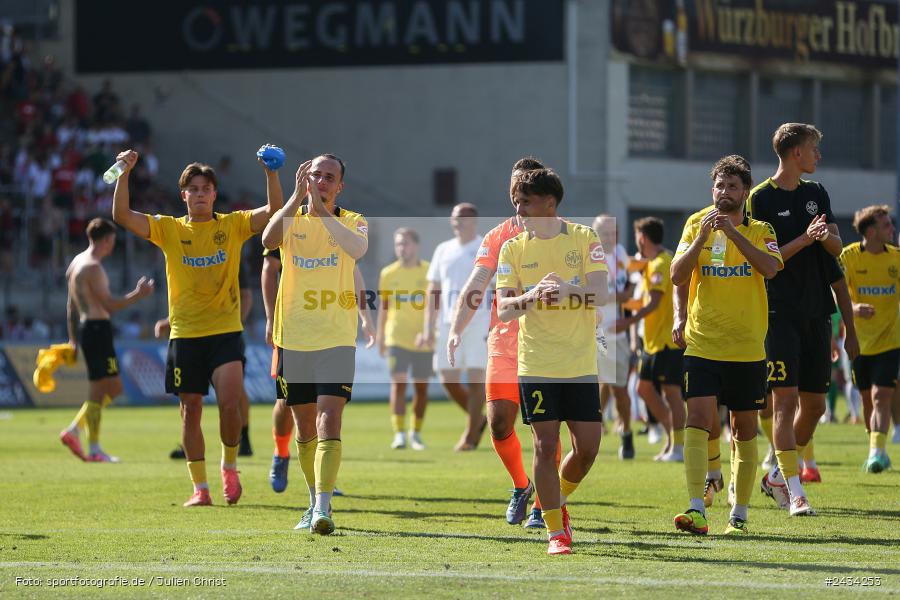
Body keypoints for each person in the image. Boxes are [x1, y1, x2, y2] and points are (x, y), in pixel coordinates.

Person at [111, 148, 283, 507]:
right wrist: (124, 172)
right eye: (194, 189)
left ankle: (229, 467)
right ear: (183, 195)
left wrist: (271, 174)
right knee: (190, 410)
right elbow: (122, 215)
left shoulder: (232, 225)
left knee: (230, 404)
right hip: (185, 334)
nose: (200, 193)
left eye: (206, 188)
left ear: (215, 194)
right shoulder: (169, 229)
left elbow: (274, 213)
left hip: (225, 332)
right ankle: (200, 488)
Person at [496, 166, 609, 555]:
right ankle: (555, 532)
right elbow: (504, 309)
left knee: (588, 448)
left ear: (549, 203)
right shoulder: (512, 248)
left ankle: (554, 500)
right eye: (516, 202)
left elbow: (601, 293)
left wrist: (566, 290)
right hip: (536, 363)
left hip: (579, 363)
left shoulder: (584, 237)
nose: (518, 210)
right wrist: (530, 297)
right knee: (545, 446)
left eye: (525, 202)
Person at [748, 124, 859, 516]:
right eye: (814, 149)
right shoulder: (760, 198)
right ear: (796, 152)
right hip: (778, 314)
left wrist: (823, 236)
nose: (818, 156)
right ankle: (796, 492)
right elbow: (766, 262)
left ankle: (777, 474)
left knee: (815, 406)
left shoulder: (817, 193)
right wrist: (806, 238)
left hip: (817, 314)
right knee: (784, 402)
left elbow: (835, 247)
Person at [670, 155, 783, 535]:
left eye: (732, 186)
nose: (724, 192)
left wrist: (733, 234)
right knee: (698, 420)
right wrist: (702, 238)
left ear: (745, 192)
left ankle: (740, 513)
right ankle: (696, 506)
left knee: (744, 429)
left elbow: (771, 268)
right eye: (719, 185)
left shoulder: (761, 228)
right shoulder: (695, 223)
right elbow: (677, 275)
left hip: (747, 347)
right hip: (703, 344)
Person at [262, 154, 368, 535]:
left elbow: (357, 250)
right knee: (304, 427)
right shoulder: (292, 219)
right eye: (315, 175)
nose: (321, 181)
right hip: (294, 337)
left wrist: (322, 213)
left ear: (340, 186)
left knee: (329, 418)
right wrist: (294, 198)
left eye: (329, 177)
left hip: (336, 338)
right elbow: (267, 240)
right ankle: (313, 502)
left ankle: (323, 508)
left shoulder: (353, 220)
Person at [448, 157, 546, 528]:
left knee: (544, 431)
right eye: (514, 188)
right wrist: (457, 328)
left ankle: (543, 505)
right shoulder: (497, 236)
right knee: (500, 423)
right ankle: (522, 485)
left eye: (525, 188)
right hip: (504, 342)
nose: (517, 196)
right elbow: (476, 284)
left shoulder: (562, 236)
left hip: (547, 344)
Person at [59, 218, 154, 462]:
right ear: (106, 240)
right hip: (97, 329)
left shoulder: (76, 262)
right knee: (98, 390)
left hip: (87, 329)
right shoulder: (93, 268)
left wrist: (73, 338)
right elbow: (110, 305)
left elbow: (71, 306)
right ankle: (92, 447)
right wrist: (139, 294)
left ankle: (76, 431)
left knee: (113, 388)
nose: (113, 245)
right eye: (112, 240)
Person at [422, 203, 488, 451]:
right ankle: (479, 419)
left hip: (478, 320)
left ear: (474, 221)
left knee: (476, 379)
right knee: (446, 377)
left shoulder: (485, 248)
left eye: (463, 217)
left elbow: (496, 287)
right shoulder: (443, 249)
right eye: (454, 217)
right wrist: (428, 326)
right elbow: (434, 289)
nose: (458, 222)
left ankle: (470, 436)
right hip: (447, 322)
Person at [618, 217, 685, 462]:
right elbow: (643, 301)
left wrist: (627, 322)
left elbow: (654, 303)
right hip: (653, 342)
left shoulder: (661, 263)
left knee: (671, 394)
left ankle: (679, 447)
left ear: (643, 238)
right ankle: (672, 440)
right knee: (643, 388)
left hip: (667, 342)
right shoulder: (651, 264)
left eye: (637, 235)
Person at [838, 205, 899, 473]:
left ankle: (877, 453)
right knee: (866, 401)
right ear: (871, 232)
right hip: (858, 342)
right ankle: (875, 446)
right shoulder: (849, 256)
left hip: (890, 341)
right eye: (887, 225)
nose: (892, 229)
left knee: (880, 395)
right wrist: (853, 309)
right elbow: (836, 292)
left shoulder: (896, 258)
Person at [378, 227, 432, 450]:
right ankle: (399, 434)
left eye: (406, 243)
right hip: (396, 337)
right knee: (398, 384)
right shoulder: (388, 274)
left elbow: (435, 307)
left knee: (421, 389)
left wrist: (429, 332)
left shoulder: (429, 272)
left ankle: (416, 434)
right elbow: (384, 308)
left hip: (423, 339)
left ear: (416, 246)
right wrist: (381, 336)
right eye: (398, 243)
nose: (402, 248)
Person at [592, 215, 635, 459]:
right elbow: (589, 295)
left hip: (615, 333)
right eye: (604, 233)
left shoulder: (621, 253)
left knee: (618, 389)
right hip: (591, 331)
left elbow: (632, 284)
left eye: (613, 232)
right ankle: (590, 437)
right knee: (591, 386)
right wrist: (618, 296)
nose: (610, 238)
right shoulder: (588, 257)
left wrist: (625, 294)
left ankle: (626, 432)